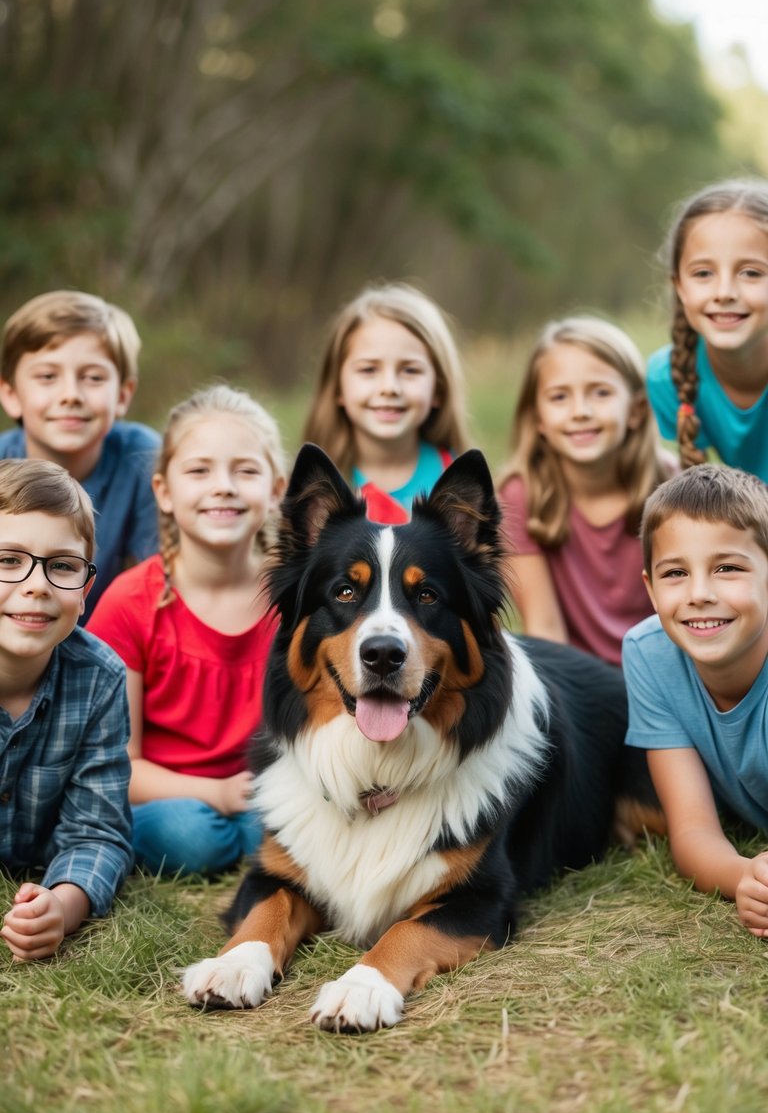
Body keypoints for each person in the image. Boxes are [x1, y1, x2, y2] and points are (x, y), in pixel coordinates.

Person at [87, 385, 286, 877]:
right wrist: (215, 793)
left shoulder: (296, 597)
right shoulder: (131, 602)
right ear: (164, 492)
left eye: (245, 470)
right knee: (187, 833)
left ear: (276, 489)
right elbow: (116, 764)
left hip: (273, 789)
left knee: (281, 817)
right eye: (199, 470)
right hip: (169, 798)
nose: (223, 486)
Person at [624, 464, 768, 939]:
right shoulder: (648, 655)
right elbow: (691, 831)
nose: (700, 594)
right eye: (676, 573)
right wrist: (743, 877)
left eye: (727, 568)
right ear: (649, 588)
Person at [0, 459, 132, 961]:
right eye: (8, 560)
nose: (36, 584)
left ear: (85, 589)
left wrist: (62, 904)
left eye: (61, 566)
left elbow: (99, 833)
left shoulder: (100, 678)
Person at [498, 316, 674, 666]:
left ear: (637, 410)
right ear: (538, 418)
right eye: (560, 396)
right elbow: (545, 633)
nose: (581, 411)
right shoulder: (521, 496)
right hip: (579, 689)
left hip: (664, 677)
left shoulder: (670, 483)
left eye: (601, 392)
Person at [0, 289, 160, 620]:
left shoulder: (145, 460)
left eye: (93, 378)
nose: (71, 394)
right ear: (11, 394)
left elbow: (161, 580)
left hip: (108, 640)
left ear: (123, 395)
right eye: (47, 377)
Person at [302, 282, 470, 523]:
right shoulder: (315, 490)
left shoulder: (461, 483)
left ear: (439, 388)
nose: (389, 387)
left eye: (410, 370)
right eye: (369, 369)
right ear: (337, 387)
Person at [647, 178, 768, 479]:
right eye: (703, 273)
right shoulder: (667, 378)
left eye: (751, 273)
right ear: (679, 286)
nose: (724, 292)